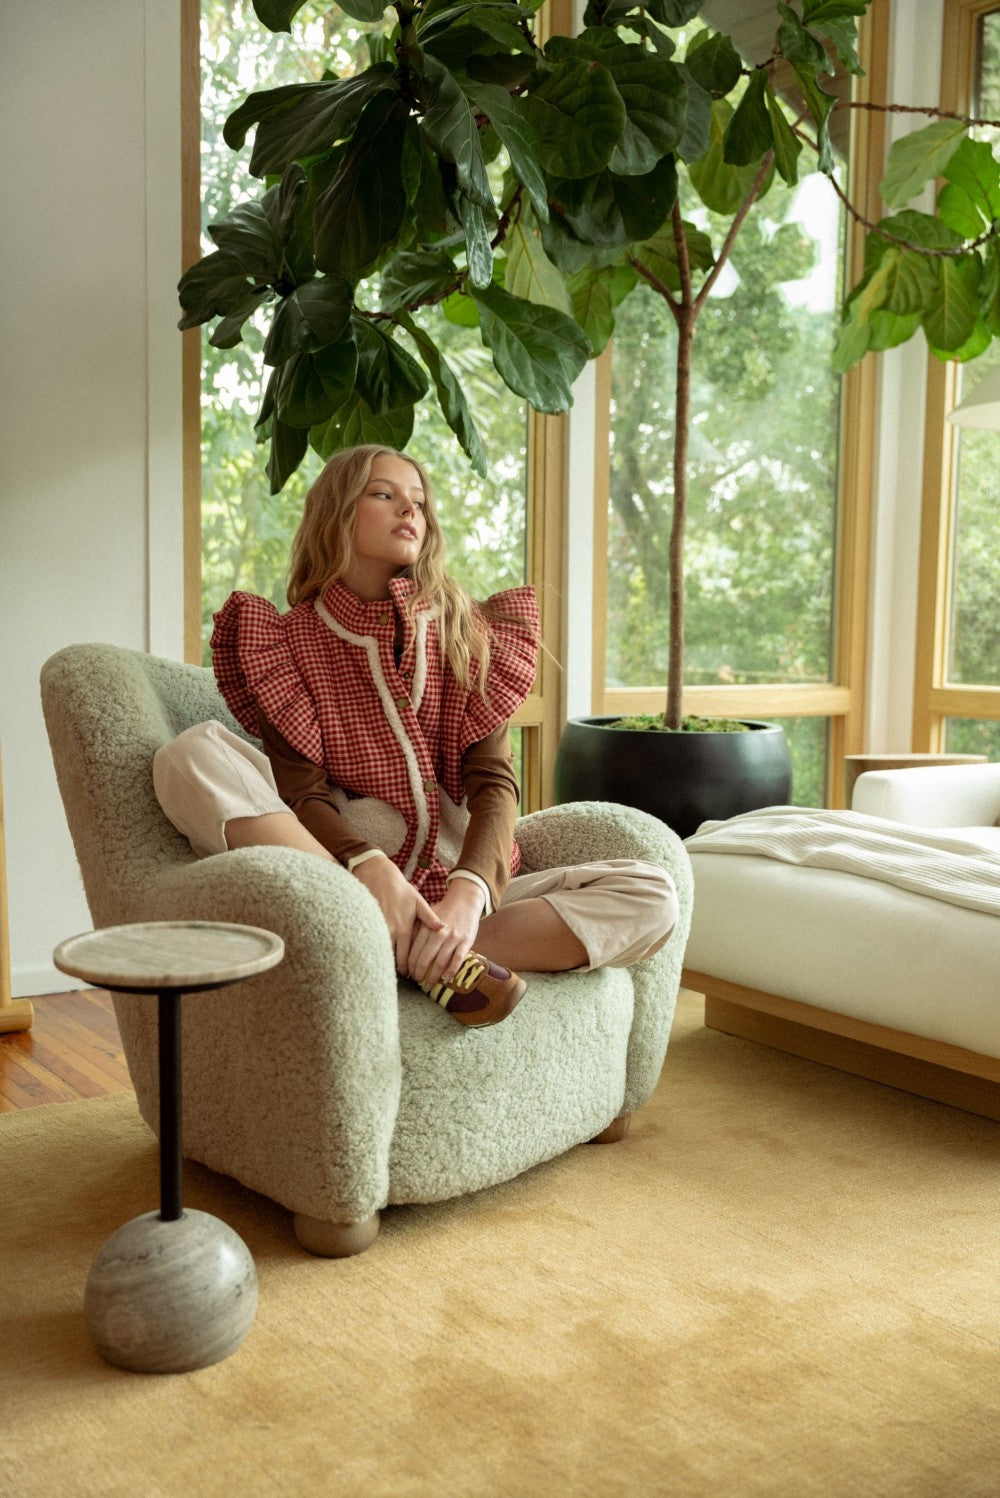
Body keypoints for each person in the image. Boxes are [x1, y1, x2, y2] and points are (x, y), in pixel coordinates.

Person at [153, 444, 678, 1026]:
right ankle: (407, 943)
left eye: (420, 503)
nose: (410, 511)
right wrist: (370, 869)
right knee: (189, 756)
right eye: (384, 494)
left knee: (651, 895)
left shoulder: (465, 630)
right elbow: (302, 795)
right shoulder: (286, 642)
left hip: (458, 893)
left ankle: (415, 951)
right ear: (336, 512)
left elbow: (494, 784)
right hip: (345, 883)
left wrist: (467, 896)